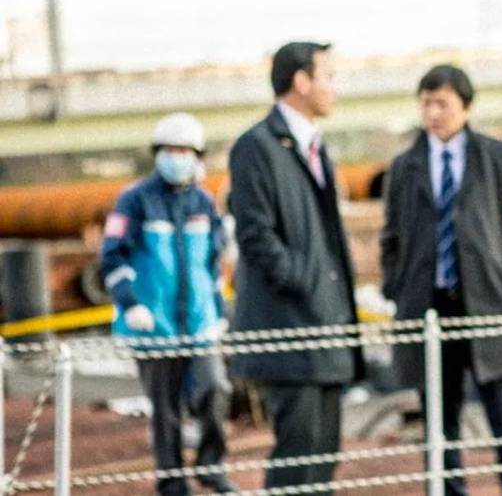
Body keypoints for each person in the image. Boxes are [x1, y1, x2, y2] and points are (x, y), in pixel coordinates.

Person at [380, 64, 502, 496]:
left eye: (442, 103)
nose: (433, 113)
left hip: (491, 305)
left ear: (466, 107)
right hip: (429, 309)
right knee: (440, 425)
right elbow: (391, 236)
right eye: (426, 103)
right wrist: (396, 286)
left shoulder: (500, 158)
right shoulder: (404, 167)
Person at [227, 41, 363, 495]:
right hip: (290, 327)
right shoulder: (256, 147)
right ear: (301, 81)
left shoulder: (315, 147)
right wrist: (303, 279)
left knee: (324, 453)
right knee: (298, 454)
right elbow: (255, 234)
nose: (334, 87)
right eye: (328, 76)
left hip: (326, 326)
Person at [100, 112, 236, 495]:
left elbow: (212, 263)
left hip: (199, 325)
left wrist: (218, 311)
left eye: (184, 151)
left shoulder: (203, 203)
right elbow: (112, 256)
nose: (177, 157)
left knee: (215, 389)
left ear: (197, 156)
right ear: (157, 153)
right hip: (154, 326)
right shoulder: (135, 200)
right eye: (169, 150)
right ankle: (173, 480)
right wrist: (130, 304)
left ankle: (211, 465)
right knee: (166, 409)